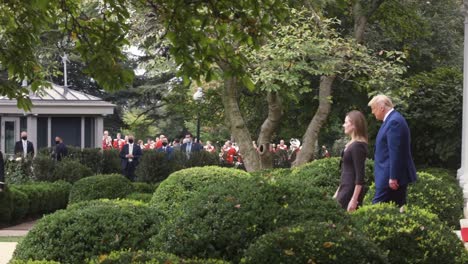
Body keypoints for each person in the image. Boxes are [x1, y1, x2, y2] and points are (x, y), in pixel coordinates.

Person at [368, 95, 417, 207]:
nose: (372, 112)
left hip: (389, 178)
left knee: (377, 209)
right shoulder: (392, 120)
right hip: (389, 176)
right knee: (396, 209)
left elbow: (395, 152)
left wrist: (393, 177)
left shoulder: (394, 122)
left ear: (381, 107)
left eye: (373, 108)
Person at [333, 111, 368, 212]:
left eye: (346, 122)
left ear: (354, 125)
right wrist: (338, 191)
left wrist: (354, 199)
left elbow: (360, 175)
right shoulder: (352, 144)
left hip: (350, 191)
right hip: (345, 188)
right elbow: (346, 170)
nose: (344, 125)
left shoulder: (358, 146)